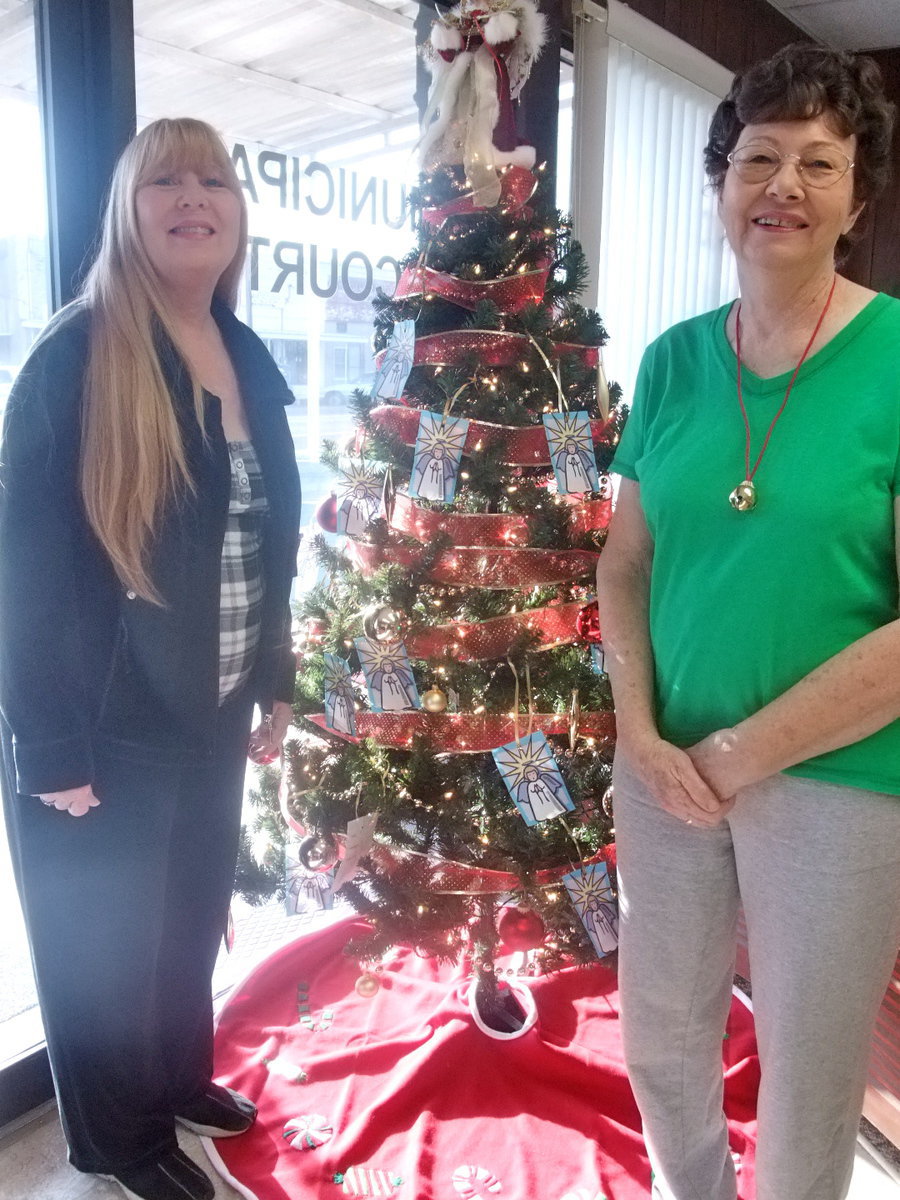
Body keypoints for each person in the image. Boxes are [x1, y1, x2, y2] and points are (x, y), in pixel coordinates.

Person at [595, 44, 900, 1200]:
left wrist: (746, 751)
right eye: (757, 158)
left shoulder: (898, 359)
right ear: (722, 186)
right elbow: (626, 563)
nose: (782, 186)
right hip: (664, 763)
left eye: (817, 164)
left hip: (839, 781)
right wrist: (639, 727)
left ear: (857, 197)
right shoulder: (674, 362)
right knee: (661, 1046)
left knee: (808, 1077)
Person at [0, 119, 301, 1200]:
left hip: (209, 712)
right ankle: (118, 1143)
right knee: (102, 953)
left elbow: (265, 545)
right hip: (100, 721)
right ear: (127, 209)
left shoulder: (245, 354)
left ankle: (177, 1079)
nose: (192, 196)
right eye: (163, 179)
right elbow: (24, 571)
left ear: (236, 211)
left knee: (183, 918)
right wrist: (52, 745)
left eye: (212, 177)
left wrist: (273, 681)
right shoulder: (74, 358)